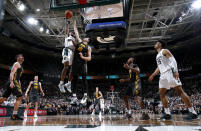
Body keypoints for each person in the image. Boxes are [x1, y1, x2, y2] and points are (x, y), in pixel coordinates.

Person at [148, 40, 198, 120]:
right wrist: (153, 75)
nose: (155, 44)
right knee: (161, 93)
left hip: (169, 72)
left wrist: (175, 71)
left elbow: (173, 60)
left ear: (160, 44)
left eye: (156, 43)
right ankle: (167, 113)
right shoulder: (158, 55)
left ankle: (193, 112)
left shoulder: (164, 51)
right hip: (163, 74)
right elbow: (159, 67)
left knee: (179, 91)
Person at [70, 18, 92, 104]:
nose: (85, 37)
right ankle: (74, 96)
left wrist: (82, 57)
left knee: (84, 79)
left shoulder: (88, 47)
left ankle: (85, 96)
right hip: (75, 63)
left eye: (86, 38)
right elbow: (76, 32)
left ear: (88, 40)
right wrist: (74, 24)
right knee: (74, 79)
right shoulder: (79, 41)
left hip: (83, 64)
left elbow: (89, 58)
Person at [0, 54, 24, 120]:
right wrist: (11, 82)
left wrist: (19, 84)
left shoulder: (20, 66)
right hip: (13, 82)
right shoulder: (16, 63)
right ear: (17, 58)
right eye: (20, 57)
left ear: (23, 59)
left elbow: (18, 77)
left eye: (22, 57)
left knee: (4, 98)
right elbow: (12, 73)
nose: (21, 58)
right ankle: (14, 115)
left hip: (15, 82)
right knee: (19, 97)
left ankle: (14, 115)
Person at [58, 20, 75, 93]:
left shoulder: (74, 39)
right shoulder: (67, 36)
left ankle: (69, 83)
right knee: (66, 66)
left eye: (73, 32)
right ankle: (61, 83)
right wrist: (67, 24)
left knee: (73, 69)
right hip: (66, 50)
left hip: (72, 52)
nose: (72, 32)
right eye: (71, 32)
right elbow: (66, 31)